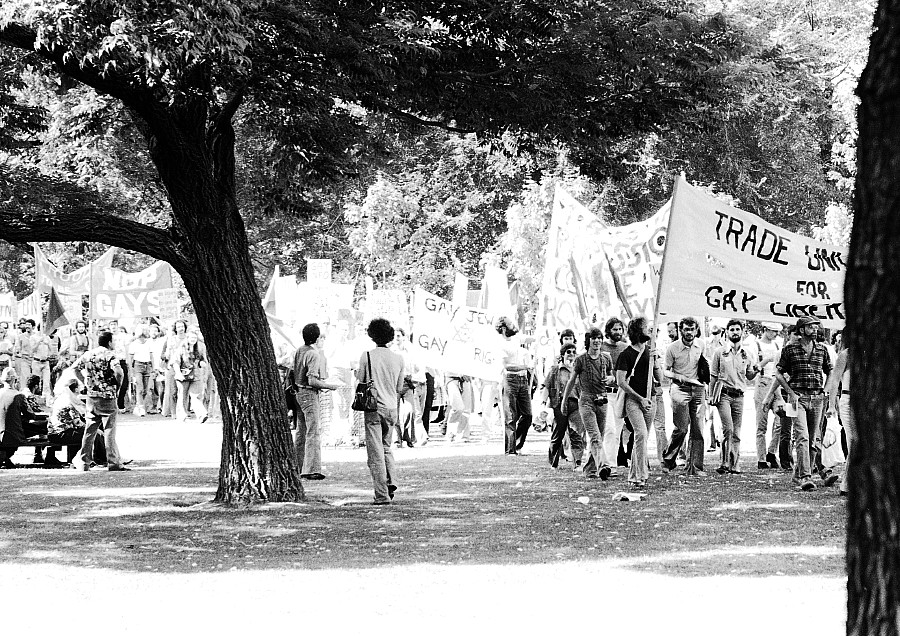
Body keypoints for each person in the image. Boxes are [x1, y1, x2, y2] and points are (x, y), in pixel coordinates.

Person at [774, 316, 836, 491]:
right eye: (811, 327)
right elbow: (778, 374)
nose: (815, 329)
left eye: (816, 326)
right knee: (802, 436)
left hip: (817, 397)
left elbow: (830, 371)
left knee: (814, 438)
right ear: (801, 330)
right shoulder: (790, 350)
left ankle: (798, 474)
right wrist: (791, 393)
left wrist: (825, 390)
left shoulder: (822, 350)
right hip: (797, 398)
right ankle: (805, 476)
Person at [356, 318, 405, 505]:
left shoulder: (367, 355)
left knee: (375, 453)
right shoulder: (399, 358)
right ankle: (391, 480)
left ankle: (381, 494)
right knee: (386, 447)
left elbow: (360, 379)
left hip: (374, 407)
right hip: (392, 406)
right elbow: (399, 386)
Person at [72, 330, 129, 471]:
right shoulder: (110, 355)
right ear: (109, 342)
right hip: (108, 395)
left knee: (90, 429)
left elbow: (75, 368)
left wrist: (85, 382)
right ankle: (113, 462)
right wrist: (117, 386)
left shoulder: (88, 354)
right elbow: (119, 372)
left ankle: (84, 462)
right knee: (109, 429)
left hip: (92, 395)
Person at [562, 327, 614, 480]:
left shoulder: (606, 358)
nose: (597, 341)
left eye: (599, 338)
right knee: (595, 435)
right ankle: (603, 465)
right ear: (588, 341)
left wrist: (611, 379)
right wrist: (564, 401)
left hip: (602, 399)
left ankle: (589, 469)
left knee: (599, 436)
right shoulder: (580, 360)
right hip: (586, 400)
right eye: (594, 338)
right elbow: (572, 381)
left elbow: (612, 375)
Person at [710, 319, 760, 475]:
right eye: (732, 329)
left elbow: (749, 375)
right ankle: (724, 462)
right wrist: (711, 396)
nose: (735, 332)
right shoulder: (720, 352)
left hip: (739, 395)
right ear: (727, 332)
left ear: (742, 332)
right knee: (728, 428)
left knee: (737, 431)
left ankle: (734, 464)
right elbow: (713, 375)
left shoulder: (747, 354)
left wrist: (757, 369)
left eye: (738, 329)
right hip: (723, 393)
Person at [292, 323, 341, 479]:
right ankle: (312, 469)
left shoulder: (300, 350)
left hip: (298, 393)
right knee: (313, 431)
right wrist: (329, 386)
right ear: (318, 338)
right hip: (309, 393)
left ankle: (298, 466)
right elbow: (313, 380)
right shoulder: (314, 354)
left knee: (301, 431)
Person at [661, 316, 708, 476]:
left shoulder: (701, 344)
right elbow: (665, 370)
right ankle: (668, 460)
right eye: (686, 329)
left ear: (696, 330)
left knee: (698, 429)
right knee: (681, 428)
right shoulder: (672, 348)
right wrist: (678, 377)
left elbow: (704, 366)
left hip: (698, 389)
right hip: (679, 389)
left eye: (692, 329)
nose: (689, 332)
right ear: (680, 330)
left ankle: (695, 467)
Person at [616, 316, 659, 489]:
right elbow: (621, 381)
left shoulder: (651, 351)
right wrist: (639, 398)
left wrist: (656, 363)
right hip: (634, 401)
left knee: (643, 438)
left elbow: (660, 378)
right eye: (646, 327)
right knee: (640, 433)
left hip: (651, 400)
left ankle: (636, 475)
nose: (649, 329)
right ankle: (639, 474)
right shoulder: (625, 354)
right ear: (637, 331)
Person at [497, 316, 533, 455]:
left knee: (528, 415)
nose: (514, 326)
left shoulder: (516, 339)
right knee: (510, 415)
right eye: (511, 324)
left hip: (523, 380)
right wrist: (524, 366)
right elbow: (506, 366)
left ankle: (517, 443)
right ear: (504, 328)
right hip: (510, 380)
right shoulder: (501, 344)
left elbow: (530, 339)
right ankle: (510, 449)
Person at [600, 318, 629, 475]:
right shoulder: (601, 347)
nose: (618, 332)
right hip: (604, 394)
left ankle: (611, 464)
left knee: (617, 432)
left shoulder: (626, 348)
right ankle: (606, 464)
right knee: (609, 429)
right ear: (608, 331)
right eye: (614, 329)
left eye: (620, 329)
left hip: (620, 394)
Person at [754, 322, 784, 469]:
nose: (775, 335)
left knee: (780, 420)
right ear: (765, 330)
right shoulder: (756, 345)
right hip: (763, 383)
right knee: (762, 423)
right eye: (772, 331)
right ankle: (761, 458)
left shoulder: (778, 346)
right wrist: (765, 361)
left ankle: (771, 452)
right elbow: (753, 367)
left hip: (776, 383)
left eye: (776, 332)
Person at [44, 368, 87, 467]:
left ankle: (73, 458)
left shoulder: (60, 398)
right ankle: (77, 458)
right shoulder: (70, 401)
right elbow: (77, 422)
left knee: (77, 432)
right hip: (61, 434)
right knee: (88, 433)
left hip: (53, 433)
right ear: (75, 389)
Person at [825, 344, 852, 497]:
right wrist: (831, 405)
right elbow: (835, 380)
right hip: (848, 399)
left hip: (867, 401)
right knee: (853, 442)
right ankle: (846, 484)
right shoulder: (846, 355)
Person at [0, 368, 38, 469]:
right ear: (14, 381)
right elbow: (30, 415)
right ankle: (40, 454)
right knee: (41, 428)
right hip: (13, 435)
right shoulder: (18, 395)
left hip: (1, 433)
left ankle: (4, 456)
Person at [173, 331, 208, 423]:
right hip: (183, 376)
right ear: (187, 338)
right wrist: (178, 373)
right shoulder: (181, 349)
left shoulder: (199, 349)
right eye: (191, 338)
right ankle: (182, 416)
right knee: (182, 397)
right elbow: (175, 362)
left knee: (196, 396)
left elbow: (203, 361)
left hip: (196, 376)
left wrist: (202, 363)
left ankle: (202, 415)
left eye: (195, 338)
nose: (193, 340)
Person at [127, 326, 155, 416]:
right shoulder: (133, 344)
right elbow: (130, 359)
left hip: (147, 365)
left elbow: (151, 356)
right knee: (140, 388)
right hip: (138, 365)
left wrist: (153, 368)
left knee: (146, 389)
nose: (142, 338)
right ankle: (141, 408)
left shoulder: (149, 343)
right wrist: (131, 372)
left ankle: (139, 406)